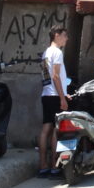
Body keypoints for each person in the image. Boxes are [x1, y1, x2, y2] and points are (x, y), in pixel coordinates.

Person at [38, 25, 70, 178]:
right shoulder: (57, 52)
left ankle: (43, 166)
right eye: (64, 35)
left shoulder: (46, 52)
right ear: (56, 35)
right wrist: (62, 98)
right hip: (55, 95)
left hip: (46, 94)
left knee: (46, 129)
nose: (66, 39)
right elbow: (55, 76)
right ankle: (54, 166)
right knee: (57, 130)